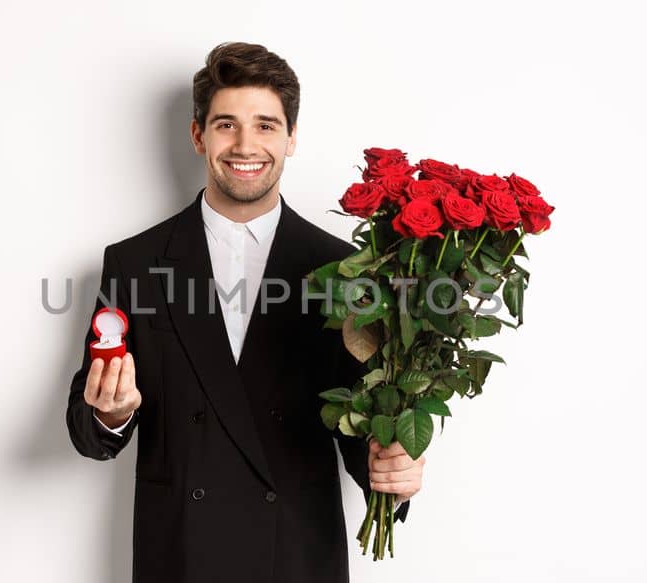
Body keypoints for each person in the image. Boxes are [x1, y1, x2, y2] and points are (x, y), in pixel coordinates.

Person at [65, 42, 427, 582]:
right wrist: (110, 413)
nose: (245, 144)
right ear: (198, 136)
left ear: (291, 138)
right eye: (226, 125)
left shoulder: (346, 268)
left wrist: (392, 467)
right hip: (182, 555)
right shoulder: (134, 262)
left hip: (296, 554)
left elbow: (362, 420)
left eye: (265, 125)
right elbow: (85, 423)